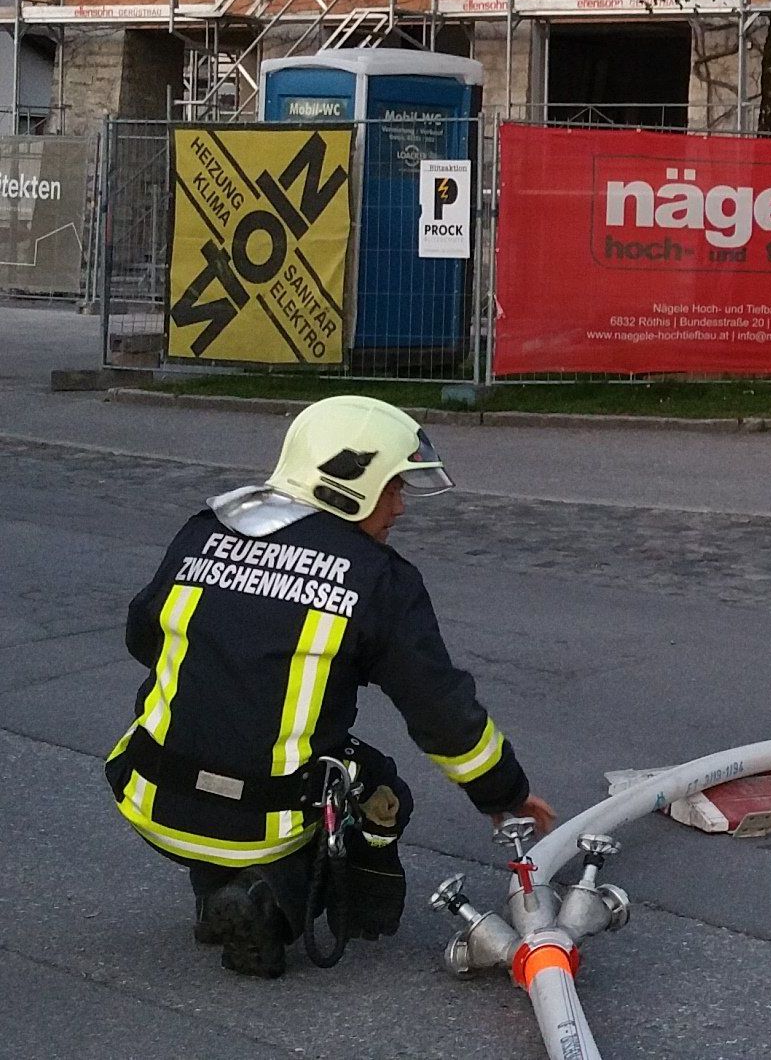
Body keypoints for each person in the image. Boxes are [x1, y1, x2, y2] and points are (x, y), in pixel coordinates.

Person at [106, 395, 555, 976]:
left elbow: (143, 637)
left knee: (221, 740)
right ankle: (275, 904)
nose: (400, 506)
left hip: (147, 792)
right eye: (392, 487)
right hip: (264, 823)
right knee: (381, 794)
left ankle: (213, 894)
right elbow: (443, 714)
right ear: (350, 482)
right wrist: (505, 796)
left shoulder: (204, 530)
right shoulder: (379, 581)